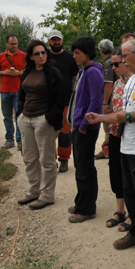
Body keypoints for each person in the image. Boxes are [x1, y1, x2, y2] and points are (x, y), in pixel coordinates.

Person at [86, 40, 135, 263]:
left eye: (125, 54)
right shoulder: (131, 79)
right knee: (130, 193)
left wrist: (128, 117)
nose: (120, 58)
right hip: (127, 146)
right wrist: (100, 117)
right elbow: (122, 114)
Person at [16, 40, 66, 209]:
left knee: (47, 160)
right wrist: (19, 114)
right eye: (37, 53)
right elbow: (22, 94)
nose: (41, 56)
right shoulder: (28, 71)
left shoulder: (53, 73)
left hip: (43, 120)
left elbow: (61, 98)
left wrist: (49, 118)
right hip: (26, 119)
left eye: (43, 52)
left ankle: (47, 195)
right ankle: (33, 191)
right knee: (29, 158)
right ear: (31, 56)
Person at [67, 37, 104, 223]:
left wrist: (83, 126)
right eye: (74, 53)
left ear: (88, 53)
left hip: (86, 129)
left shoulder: (93, 73)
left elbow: (95, 102)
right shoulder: (85, 71)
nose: (74, 56)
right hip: (79, 127)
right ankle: (81, 201)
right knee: (80, 166)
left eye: (78, 53)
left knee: (85, 168)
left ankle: (87, 209)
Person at [101, 49, 133, 230]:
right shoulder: (118, 83)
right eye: (111, 64)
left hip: (130, 136)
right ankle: (120, 211)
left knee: (128, 174)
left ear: (126, 62)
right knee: (115, 173)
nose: (113, 68)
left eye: (116, 64)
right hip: (115, 134)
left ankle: (132, 214)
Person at [47, 29, 80, 173]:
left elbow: (76, 77)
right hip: (47, 102)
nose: (56, 42)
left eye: (58, 39)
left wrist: (76, 96)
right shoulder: (44, 56)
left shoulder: (70, 58)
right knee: (48, 132)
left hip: (66, 101)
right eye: (53, 40)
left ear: (62, 41)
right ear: (49, 41)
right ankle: (50, 161)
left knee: (65, 133)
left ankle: (64, 160)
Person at [0, 34, 26, 150]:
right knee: (7, 117)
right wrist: (4, 72)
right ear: (7, 44)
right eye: (12, 44)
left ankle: (20, 141)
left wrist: (19, 73)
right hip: (5, 91)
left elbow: (28, 71)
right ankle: (9, 139)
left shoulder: (23, 56)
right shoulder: (0, 57)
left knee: (19, 116)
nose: (14, 45)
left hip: (18, 91)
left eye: (16, 43)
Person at [95, 39, 117, 160]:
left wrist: (104, 102)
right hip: (117, 99)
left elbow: (108, 84)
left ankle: (108, 151)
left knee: (108, 127)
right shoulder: (115, 60)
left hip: (111, 101)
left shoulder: (108, 63)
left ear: (101, 50)